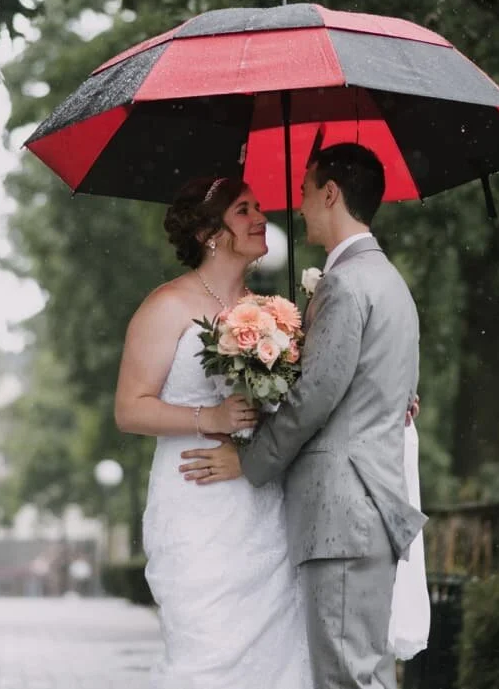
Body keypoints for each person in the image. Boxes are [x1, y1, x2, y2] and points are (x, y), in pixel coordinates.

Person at [180, 143, 428, 688]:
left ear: (331, 193)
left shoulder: (346, 284)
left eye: (305, 192)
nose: (298, 206)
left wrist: (250, 459)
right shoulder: (388, 281)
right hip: (367, 508)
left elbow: (316, 397)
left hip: (344, 510)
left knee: (346, 679)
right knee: (366, 675)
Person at [114, 175, 311, 689]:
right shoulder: (168, 306)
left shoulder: (276, 316)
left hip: (260, 504)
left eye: (260, 207)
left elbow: (302, 404)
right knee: (206, 650)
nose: (260, 217)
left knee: (278, 656)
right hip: (195, 502)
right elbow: (130, 410)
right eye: (244, 209)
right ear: (208, 233)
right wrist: (211, 419)